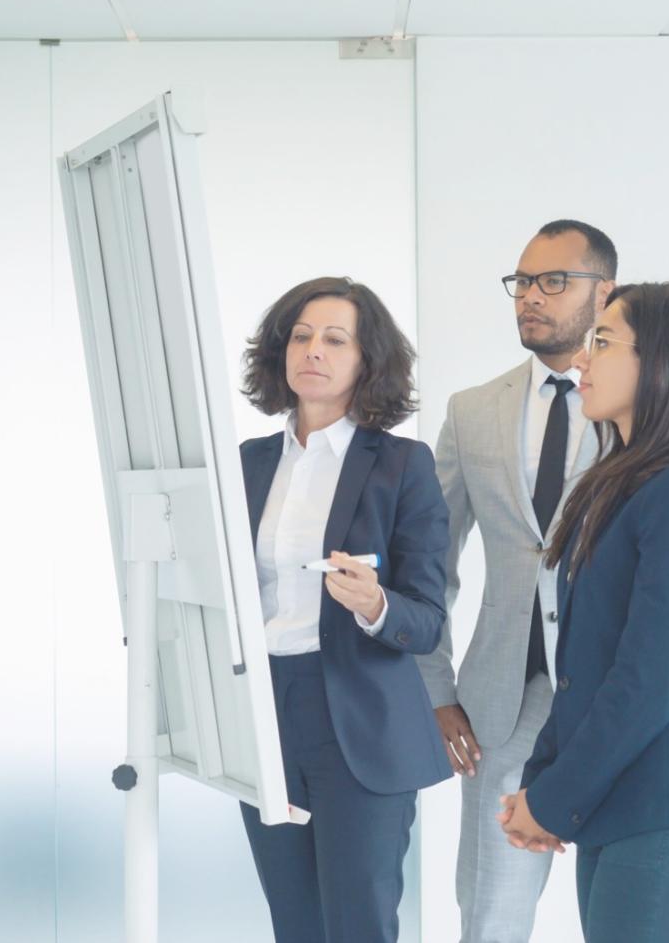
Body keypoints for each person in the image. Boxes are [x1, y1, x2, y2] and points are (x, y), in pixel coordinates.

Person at [498, 281, 669, 943]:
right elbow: (584, 667)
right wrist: (542, 786)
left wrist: (554, 800)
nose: (580, 360)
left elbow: (645, 682)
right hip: (628, 801)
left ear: (663, 361)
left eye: (603, 341)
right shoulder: (622, 481)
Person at [237, 276, 452, 943]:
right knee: (295, 924)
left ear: (368, 360)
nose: (314, 351)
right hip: (267, 714)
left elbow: (427, 618)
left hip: (359, 721)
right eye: (300, 336)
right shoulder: (247, 463)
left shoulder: (402, 465)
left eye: (335, 339)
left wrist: (376, 604)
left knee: (357, 926)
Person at [418, 220, 616, 942]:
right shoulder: (472, 412)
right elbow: (429, 562)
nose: (530, 297)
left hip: (612, 694)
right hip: (502, 700)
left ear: (607, 291)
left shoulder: (641, 406)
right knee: (491, 915)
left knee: (625, 906)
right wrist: (437, 691)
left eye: (553, 281)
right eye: (522, 282)